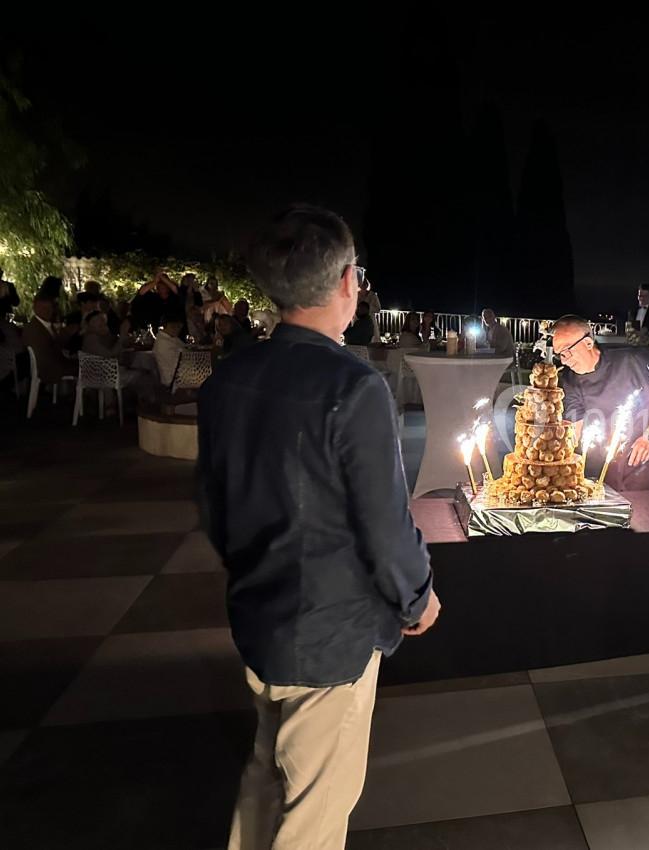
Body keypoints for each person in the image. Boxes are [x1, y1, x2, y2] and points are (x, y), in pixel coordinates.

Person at [199, 205, 439, 850]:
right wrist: (418, 596)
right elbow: (385, 524)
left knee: (265, 770)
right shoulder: (353, 387)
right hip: (329, 631)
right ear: (347, 283)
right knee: (314, 811)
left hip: (259, 613)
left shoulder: (230, 376)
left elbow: (213, 508)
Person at [553, 314, 649, 491]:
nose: (564, 359)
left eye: (568, 349)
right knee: (610, 494)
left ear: (588, 343)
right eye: (559, 353)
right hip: (613, 450)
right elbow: (575, 425)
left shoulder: (633, 359)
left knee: (647, 504)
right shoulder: (570, 379)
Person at [22, 294, 77, 382]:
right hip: (49, 369)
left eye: (49, 307)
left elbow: (54, 346)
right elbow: (49, 353)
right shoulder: (34, 329)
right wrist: (66, 333)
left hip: (54, 363)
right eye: (42, 307)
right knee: (87, 366)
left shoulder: (44, 324)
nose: (46, 311)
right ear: (35, 308)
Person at [153, 317, 189, 389]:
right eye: (177, 326)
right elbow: (178, 364)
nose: (179, 329)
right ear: (170, 325)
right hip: (175, 380)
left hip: (181, 374)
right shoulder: (164, 343)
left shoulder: (171, 338)